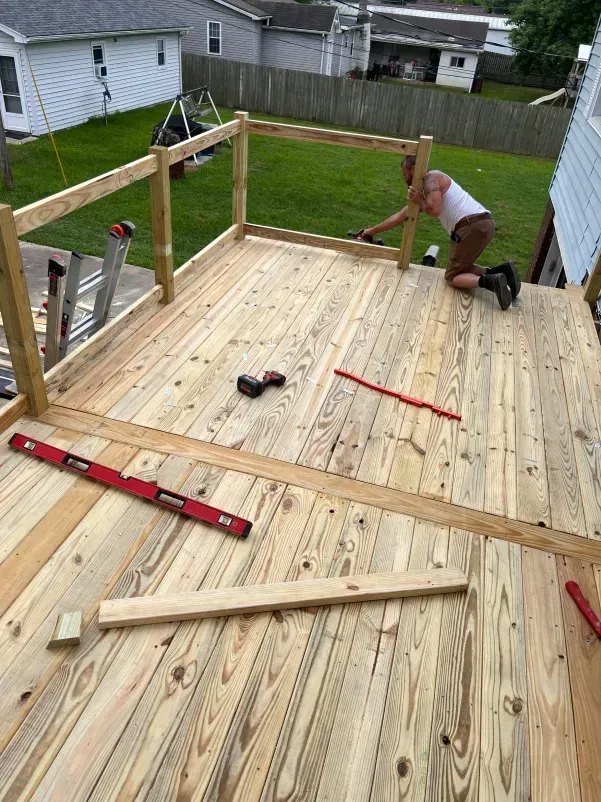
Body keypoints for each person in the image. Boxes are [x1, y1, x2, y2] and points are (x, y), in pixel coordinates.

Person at [360, 156, 520, 310]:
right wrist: (370, 232)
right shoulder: (427, 189)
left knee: (452, 277)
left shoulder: (431, 178)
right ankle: (503, 272)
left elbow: (435, 210)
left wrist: (419, 200)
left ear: (413, 169)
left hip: (470, 227)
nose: (403, 178)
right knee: (461, 268)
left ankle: (491, 281)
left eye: (404, 173)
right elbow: (399, 217)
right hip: (484, 223)